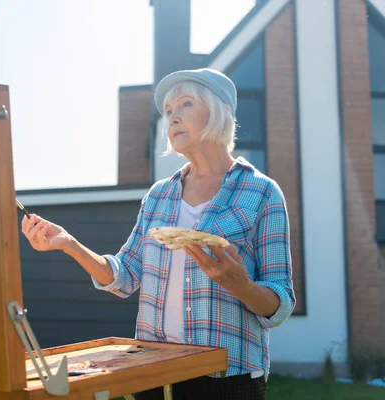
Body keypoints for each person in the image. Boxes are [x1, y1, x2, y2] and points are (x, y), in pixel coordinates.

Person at [21, 68, 295, 400]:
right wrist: (69, 243)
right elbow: (124, 274)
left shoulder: (262, 192)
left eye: (186, 105)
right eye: (168, 111)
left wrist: (241, 285)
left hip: (226, 379)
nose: (173, 118)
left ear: (219, 111)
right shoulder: (158, 195)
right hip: (153, 372)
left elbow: (280, 303)